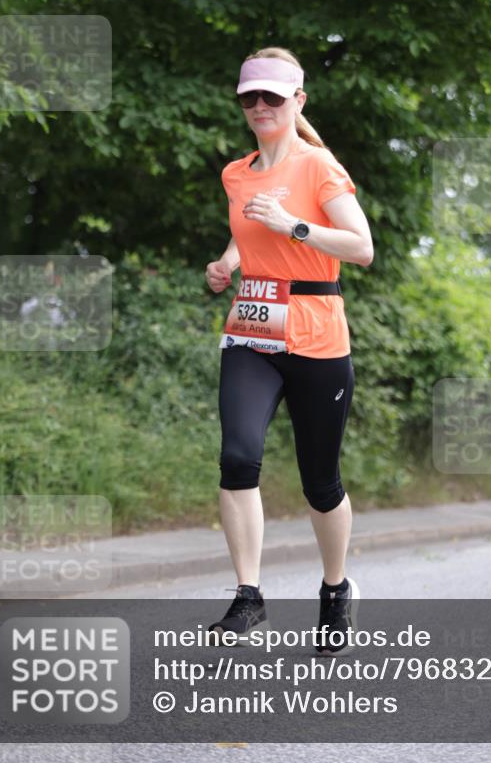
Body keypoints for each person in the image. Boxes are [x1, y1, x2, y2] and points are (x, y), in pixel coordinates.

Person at [204, 46, 373, 656]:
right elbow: (245, 231)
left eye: (272, 97)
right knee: (238, 456)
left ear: (297, 101)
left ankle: (335, 589)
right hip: (252, 331)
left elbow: (361, 247)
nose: (259, 107)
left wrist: (293, 226)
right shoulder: (235, 172)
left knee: (319, 481)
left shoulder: (319, 168)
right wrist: (226, 263)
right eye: (249, 97)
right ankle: (249, 596)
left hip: (318, 335)